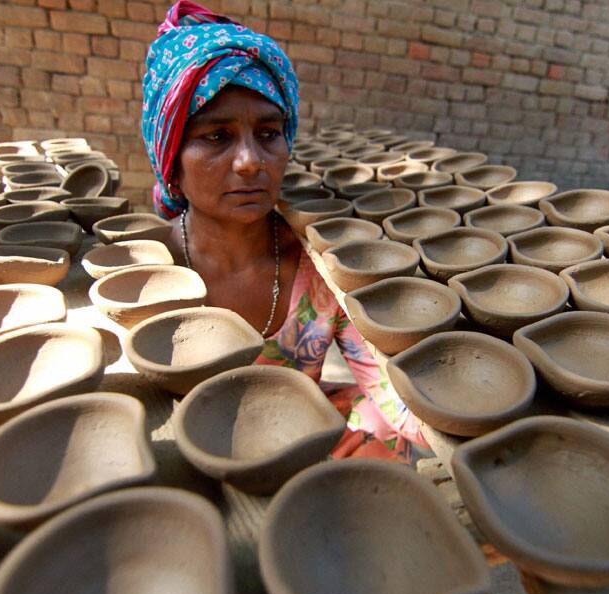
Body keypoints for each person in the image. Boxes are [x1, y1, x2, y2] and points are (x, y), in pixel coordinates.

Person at [141, 0, 429, 462]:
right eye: (216, 137)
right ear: (170, 157)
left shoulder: (320, 264)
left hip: (295, 440)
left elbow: (384, 390)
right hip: (192, 458)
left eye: (269, 133)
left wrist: (456, 421)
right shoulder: (147, 273)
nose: (250, 161)